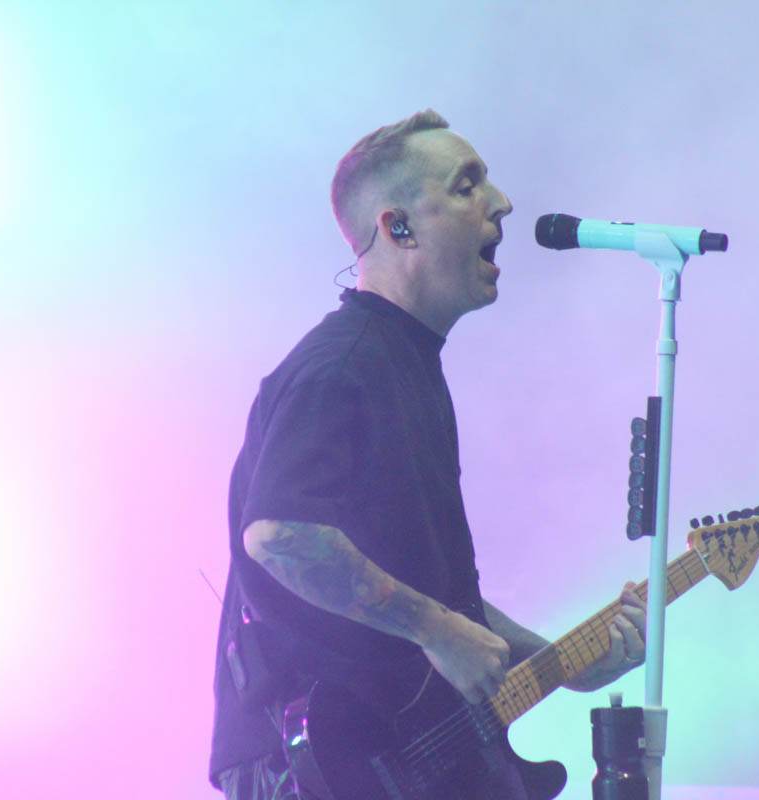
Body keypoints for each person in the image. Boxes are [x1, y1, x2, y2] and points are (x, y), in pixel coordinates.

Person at [209, 109, 647, 800]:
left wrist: (565, 662)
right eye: (467, 185)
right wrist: (440, 630)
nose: (502, 203)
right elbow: (279, 535)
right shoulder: (342, 366)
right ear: (399, 228)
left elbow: (433, 593)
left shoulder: (405, 364)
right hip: (320, 769)